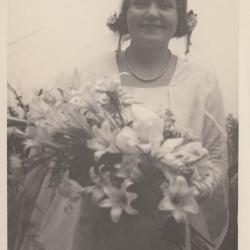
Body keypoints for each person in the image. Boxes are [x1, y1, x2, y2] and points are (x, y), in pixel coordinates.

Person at [14, 0, 228, 250]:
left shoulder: (202, 82)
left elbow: (215, 157)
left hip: (165, 228)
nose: (151, 13)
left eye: (164, 5)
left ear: (180, 16)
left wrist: (184, 186)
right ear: (125, 13)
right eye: (140, 3)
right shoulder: (89, 72)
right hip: (94, 229)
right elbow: (57, 139)